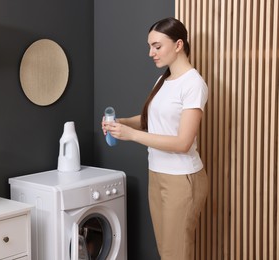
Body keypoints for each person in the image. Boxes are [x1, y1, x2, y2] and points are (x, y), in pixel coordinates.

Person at [102, 17, 208, 260]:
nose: (151, 53)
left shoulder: (193, 84)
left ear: (178, 44)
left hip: (182, 180)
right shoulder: (163, 80)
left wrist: (133, 136)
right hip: (157, 174)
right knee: (166, 251)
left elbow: (182, 142)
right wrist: (121, 123)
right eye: (150, 46)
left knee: (176, 254)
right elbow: (151, 119)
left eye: (157, 46)